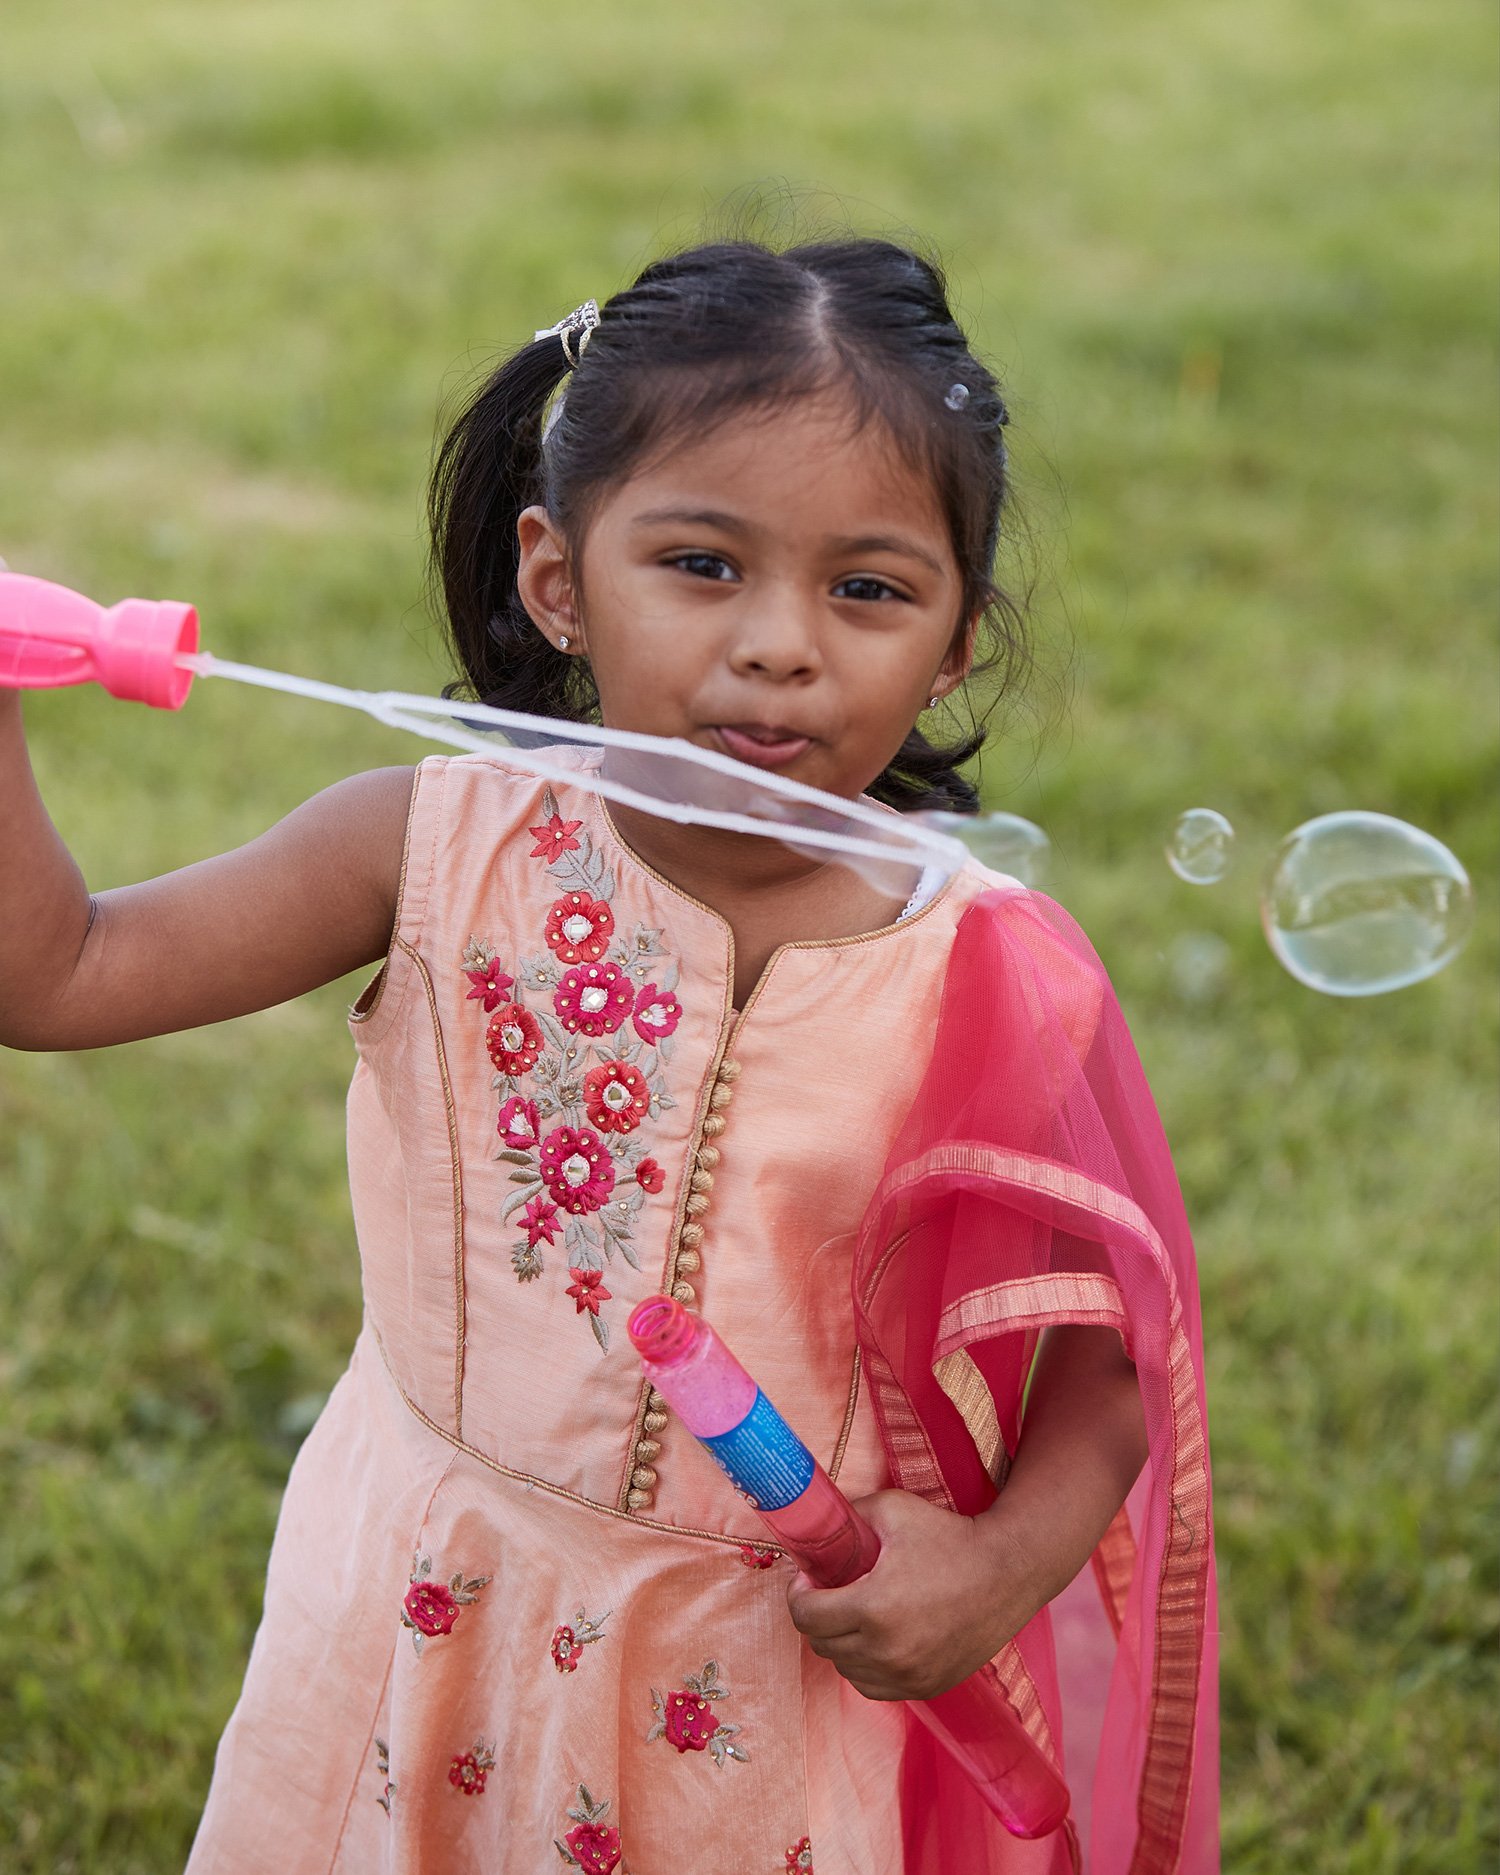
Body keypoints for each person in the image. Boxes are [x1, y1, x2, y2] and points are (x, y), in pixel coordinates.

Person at [0, 237, 1217, 1873]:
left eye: (867, 589)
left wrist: (998, 1568)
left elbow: (1111, 1355)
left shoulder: (988, 968)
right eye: (703, 564)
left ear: (955, 644)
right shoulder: (424, 846)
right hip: (431, 1600)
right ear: (557, 577)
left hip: (778, 1669)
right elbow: (59, 972)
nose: (782, 642)